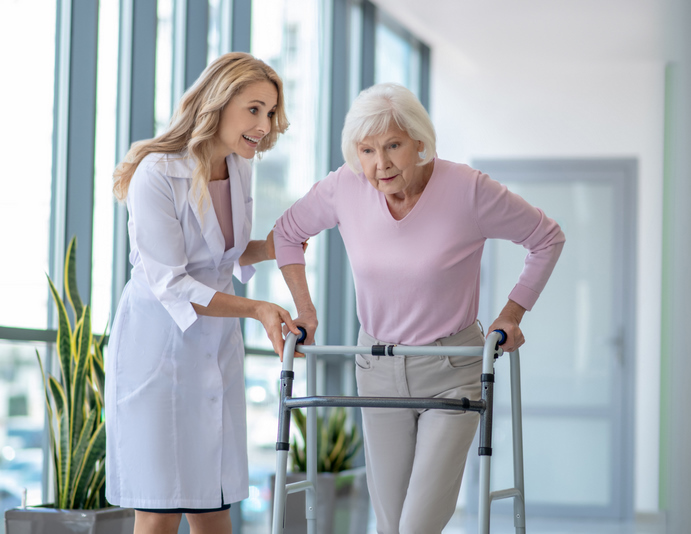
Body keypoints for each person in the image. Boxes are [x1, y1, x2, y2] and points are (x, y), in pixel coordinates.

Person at [273, 82, 566, 533]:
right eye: (367, 150)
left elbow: (546, 238)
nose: (380, 164)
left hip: (452, 370)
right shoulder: (344, 187)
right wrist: (306, 311)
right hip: (376, 367)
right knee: (390, 526)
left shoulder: (468, 190)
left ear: (419, 142)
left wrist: (511, 314)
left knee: (416, 527)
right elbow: (288, 234)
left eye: (393, 145)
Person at [105, 52, 300, 534]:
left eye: (270, 112)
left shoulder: (238, 167)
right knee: (161, 505)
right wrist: (256, 308)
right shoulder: (156, 171)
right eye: (254, 109)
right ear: (218, 103)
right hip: (160, 348)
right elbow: (171, 280)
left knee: (214, 503)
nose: (264, 124)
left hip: (214, 348)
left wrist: (277, 246)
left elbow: (220, 257)